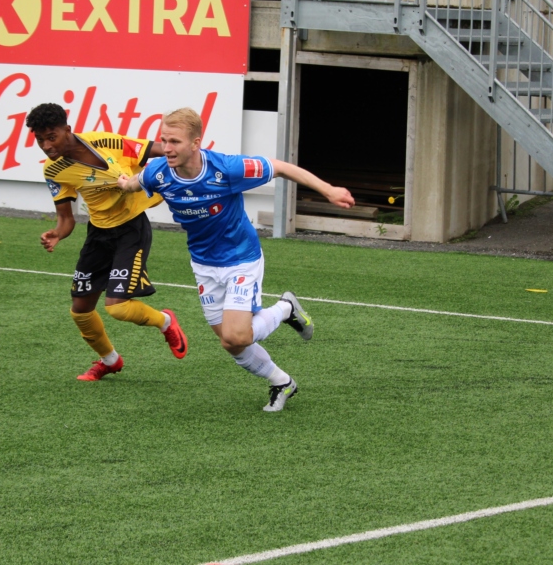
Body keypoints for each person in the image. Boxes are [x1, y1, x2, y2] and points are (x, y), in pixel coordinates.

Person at [118, 108, 354, 411]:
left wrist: (328, 190)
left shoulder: (227, 169)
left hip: (241, 258)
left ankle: (285, 308)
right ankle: (282, 382)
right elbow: (136, 182)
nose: (167, 148)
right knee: (230, 343)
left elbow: (281, 167)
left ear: (196, 143)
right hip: (203, 264)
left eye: (175, 141)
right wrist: (123, 183)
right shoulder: (158, 172)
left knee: (237, 334)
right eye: (164, 140)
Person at [26, 103, 189, 381]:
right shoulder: (54, 170)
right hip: (98, 234)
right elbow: (66, 218)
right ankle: (110, 360)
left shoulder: (105, 142)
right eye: (40, 140)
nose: (46, 146)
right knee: (80, 310)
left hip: (131, 229)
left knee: (118, 307)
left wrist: (188, 154)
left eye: (51, 137)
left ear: (67, 130)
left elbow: (158, 149)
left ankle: (165, 321)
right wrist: (57, 233)